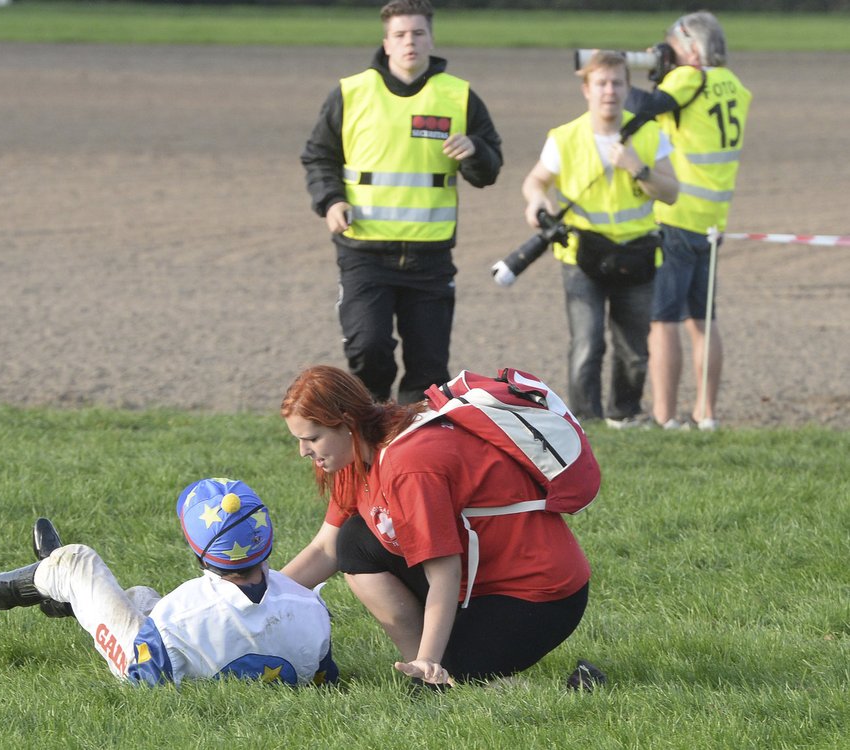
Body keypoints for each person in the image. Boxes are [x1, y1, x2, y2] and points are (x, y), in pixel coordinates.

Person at [279, 364, 601, 688]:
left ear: (347, 424)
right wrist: (252, 598)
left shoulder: (408, 464)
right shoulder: (356, 452)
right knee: (354, 541)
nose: (304, 451)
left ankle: (571, 688)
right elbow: (326, 548)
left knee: (435, 688)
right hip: (478, 582)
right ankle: (431, 669)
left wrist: (431, 661)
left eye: (312, 438)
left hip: (537, 595)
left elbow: (445, 572)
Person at [0, 478, 339, 688]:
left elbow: (150, 674)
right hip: (184, 647)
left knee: (77, 561)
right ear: (266, 537)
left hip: (145, 664)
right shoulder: (311, 606)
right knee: (141, 595)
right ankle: (57, 591)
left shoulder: (185, 608)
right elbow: (323, 676)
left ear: (199, 551)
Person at [300, 0, 502, 405]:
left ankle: (413, 443)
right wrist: (331, 200)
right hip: (364, 251)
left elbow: (490, 170)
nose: (410, 42)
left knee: (428, 369)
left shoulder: (458, 96)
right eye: (400, 34)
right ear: (386, 43)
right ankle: (370, 423)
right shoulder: (351, 93)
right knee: (368, 347)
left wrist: (475, 150)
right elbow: (319, 156)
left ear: (431, 38)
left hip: (430, 257)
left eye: (418, 33)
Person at [510, 50, 678, 427]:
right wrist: (536, 199)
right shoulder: (565, 137)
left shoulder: (650, 134)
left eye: (617, 82)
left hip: (636, 255)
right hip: (581, 256)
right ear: (586, 89)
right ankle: (586, 422)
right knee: (587, 344)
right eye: (601, 83)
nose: (609, 91)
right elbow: (535, 180)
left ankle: (625, 415)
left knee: (634, 351)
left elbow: (670, 192)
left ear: (627, 87)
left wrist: (638, 168)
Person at [626, 12, 752, 431]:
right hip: (714, 218)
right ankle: (706, 413)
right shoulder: (733, 86)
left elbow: (641, 110)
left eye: (674, 47)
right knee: (704, 320)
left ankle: (664, 416)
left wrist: (652, 76)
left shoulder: (689, 78)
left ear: (693, 51)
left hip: (676, 216)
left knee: (663, 321)